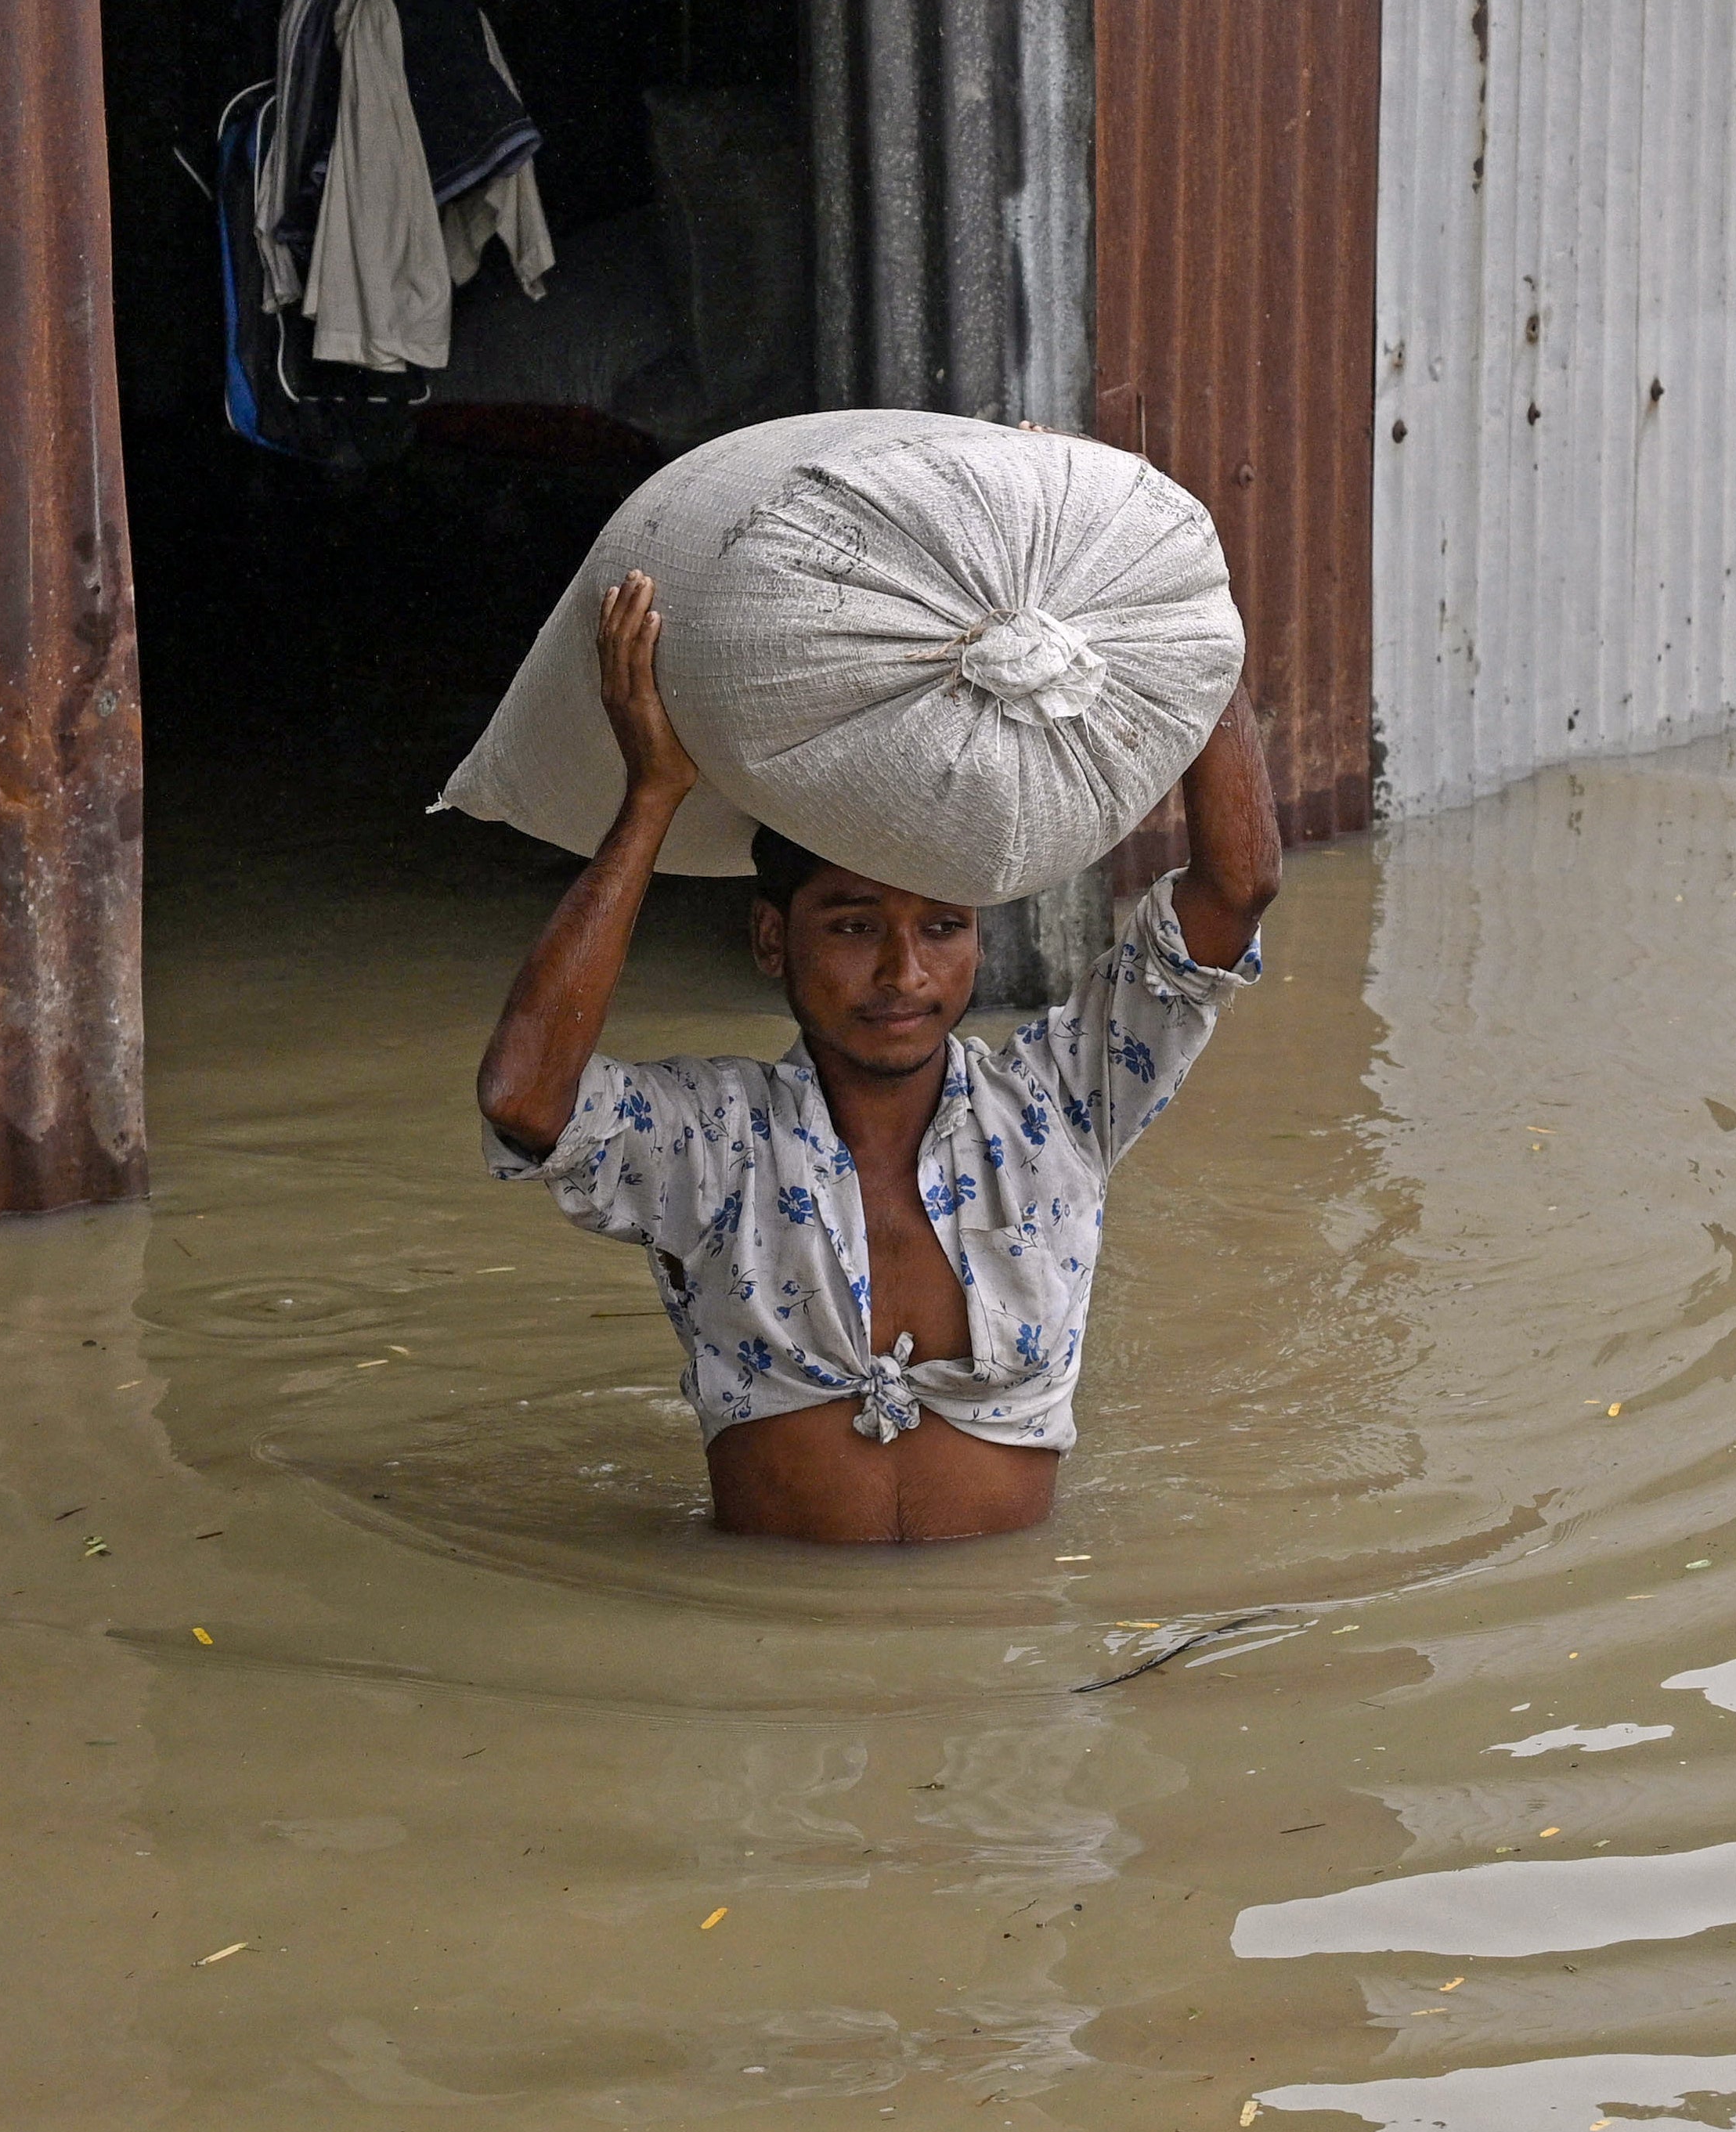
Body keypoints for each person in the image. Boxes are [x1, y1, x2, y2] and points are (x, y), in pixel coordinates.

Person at [475, 571, 1284, 1542]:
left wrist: (1172, 608)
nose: (904, 971)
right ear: (774, 942)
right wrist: (652, 793)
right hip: (771, 1641)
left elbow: (1232, 894)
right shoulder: (713, 1140)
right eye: (855, 926)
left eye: (942, 926)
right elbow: (524, 1096)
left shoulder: (1060, 1104)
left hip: (1003, 1650)